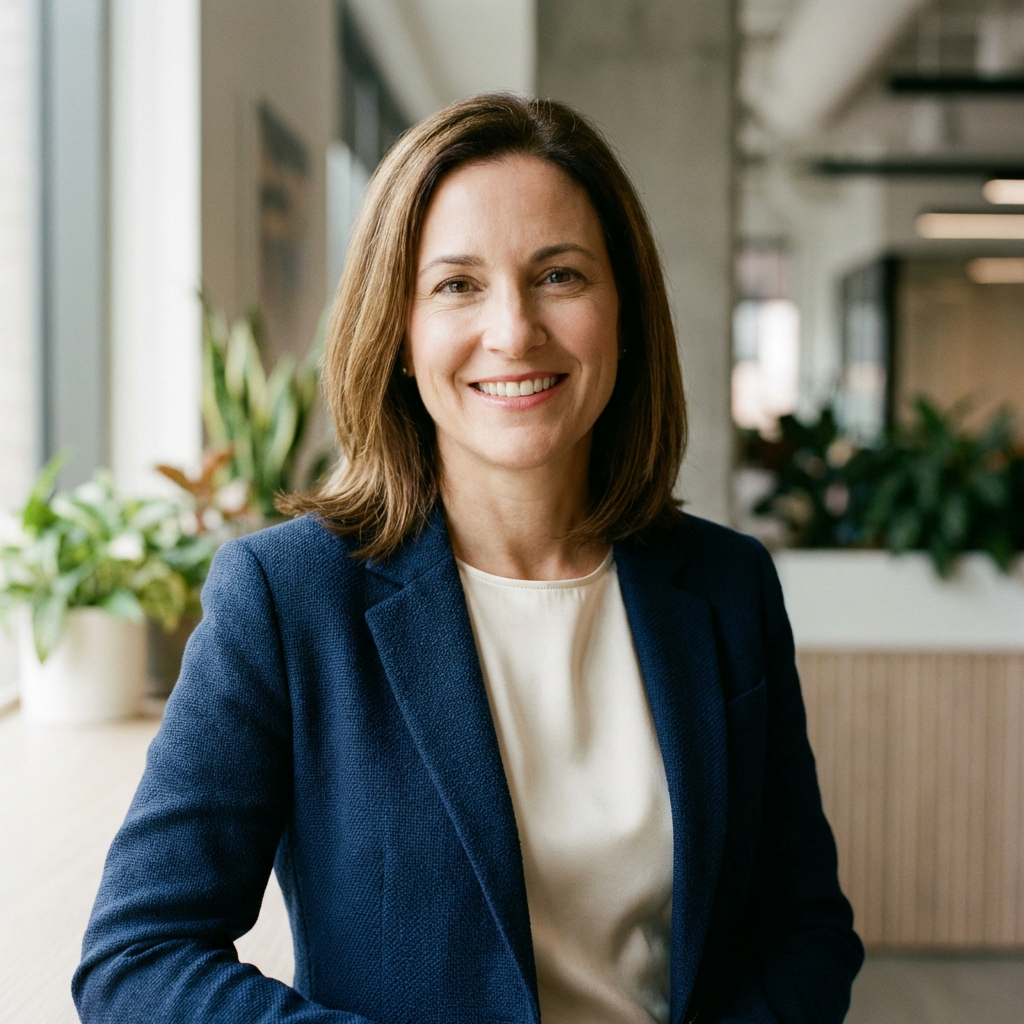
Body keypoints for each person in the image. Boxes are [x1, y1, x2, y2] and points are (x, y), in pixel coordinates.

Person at [74, 94, 863, 1024]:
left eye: (560, 275)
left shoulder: (727, 587)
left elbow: (804, 930)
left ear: (624, 310)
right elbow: (137, 958)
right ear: (400, 335)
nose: (514, 330)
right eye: (456, 284)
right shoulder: (289, 599)